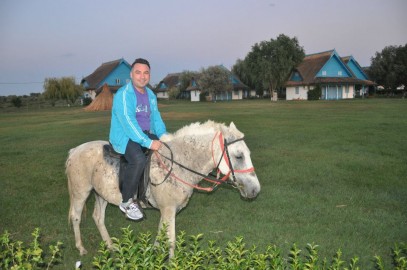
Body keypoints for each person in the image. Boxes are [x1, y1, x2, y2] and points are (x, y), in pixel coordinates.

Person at [109, 58, 167, 220]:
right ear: (131, 74)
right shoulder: (123, 95)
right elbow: (128, 123)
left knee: (167, 151)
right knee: (139, 160)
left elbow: (156, 118)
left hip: (144, 132)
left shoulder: (150, 94)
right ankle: (127, 201)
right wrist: (148, 142)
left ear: (149, 75)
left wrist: (164, 136)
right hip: (125, 136)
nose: (142, 76)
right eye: (138, 72)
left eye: (146, 73)